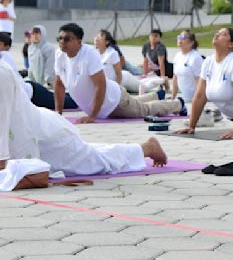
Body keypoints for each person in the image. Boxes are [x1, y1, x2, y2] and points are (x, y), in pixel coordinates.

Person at [0, 55, 168, 178]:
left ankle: (146, 148)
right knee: (89, 153)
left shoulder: (2, 75)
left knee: (96, 162)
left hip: (45, 137)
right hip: (27, 136)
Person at [54, 23, 183, 123]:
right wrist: (58, 113)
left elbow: (101, 85)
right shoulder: (60, 54)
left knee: (145, 110)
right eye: (59, 38)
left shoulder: (89, 54)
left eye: (66, 39)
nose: (62, 42)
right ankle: (155, 95)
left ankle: (178, 104)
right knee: (136, 103)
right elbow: (59, 84)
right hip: (102, 106)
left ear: (78, 41)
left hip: (114, 102)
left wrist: (92, 116)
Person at [0, 32, 77, 110]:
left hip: (34, 94)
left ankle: (82, 96)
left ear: (7, 47)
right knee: (59, 97)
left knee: (69, 103)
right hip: (28, 91)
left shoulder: (5, 56)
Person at [171, 30, 203, 102]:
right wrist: (173, 96)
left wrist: (197, 99)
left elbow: (200, 80)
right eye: (179, 37)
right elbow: (175, 77)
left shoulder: (196, 57)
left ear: (191, 42)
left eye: (184, 37)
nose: (180, 40)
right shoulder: (177, 55)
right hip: (182, 97)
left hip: (193, 99)